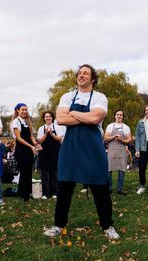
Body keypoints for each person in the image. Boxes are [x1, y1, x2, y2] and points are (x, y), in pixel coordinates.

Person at [43, 64, 119, 239]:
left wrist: (73, 112)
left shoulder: (100, 97)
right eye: (80, 72)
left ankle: (107, 226)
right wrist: (84, 116)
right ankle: (58, 225)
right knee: (64, 189)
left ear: (92, 79)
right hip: (70, 147)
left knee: (100, 188)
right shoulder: (67, 96)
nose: (81, 75)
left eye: (86, 73)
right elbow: (61, 119)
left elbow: (95, 118)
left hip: (93, 148)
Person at [10, 103, 41, 202]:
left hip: (29, 149)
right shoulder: (16, 122)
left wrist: (36, 144)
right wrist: (31, 146)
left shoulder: (27, 122)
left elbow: (30, 136)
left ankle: (27, 193)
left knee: (28, 172)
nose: (24, 111)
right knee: (23, 173)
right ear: (17, 110)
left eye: (26, 110)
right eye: (22, 109)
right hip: (21, 150)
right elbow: (19, 138)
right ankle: (23, 195)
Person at [104, 109, 132, 195]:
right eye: (117, 114)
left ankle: (120, 189)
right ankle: (109, 189)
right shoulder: (110, 126)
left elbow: (129, 139)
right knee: (109, 170)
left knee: (121, 170)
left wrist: (121, 140)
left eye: (121, 115)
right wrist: (114, 137)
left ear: (123, 117)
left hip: (122, 151)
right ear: (115, 116)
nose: (119, 116)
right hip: (111, 150)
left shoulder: (126, 127)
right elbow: (106, 138)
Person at [37, 111, 63, 200]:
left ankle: (54, 192)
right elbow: (40, 141)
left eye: (49, 116)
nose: (48, 118)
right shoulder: (41, 128)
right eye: (46, 116)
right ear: (44, 118)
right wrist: (46, 133)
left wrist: (51, 133)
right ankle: (45, 193)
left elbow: (59, 139)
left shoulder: (57, 127)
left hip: (55, 152)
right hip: (44, 153)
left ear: (52, 118)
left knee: (54, 173)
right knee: (44, 173)